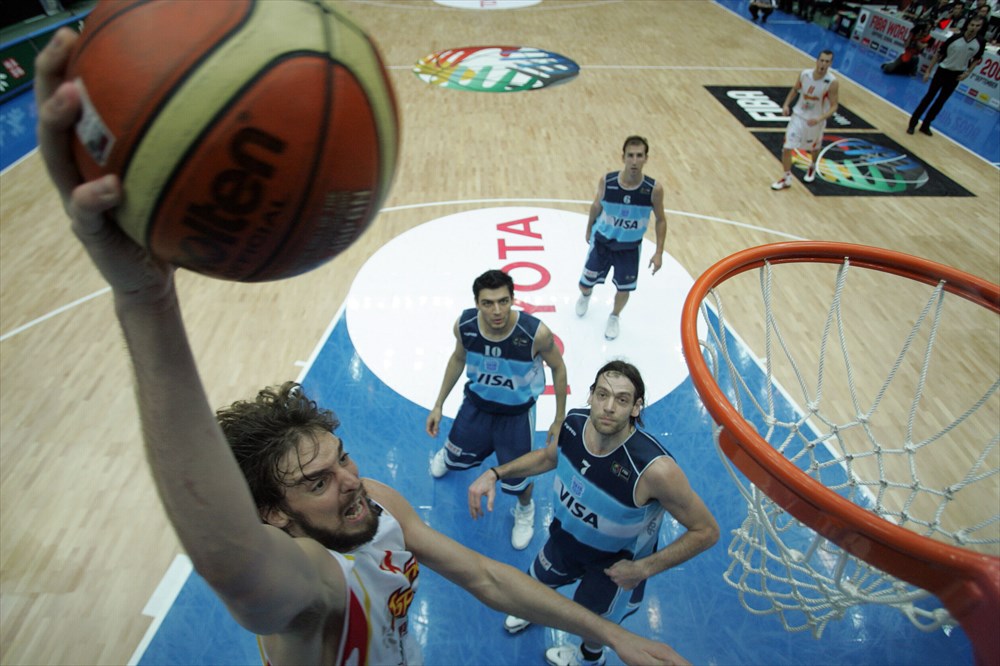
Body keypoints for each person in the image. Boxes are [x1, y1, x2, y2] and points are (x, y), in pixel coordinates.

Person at [35, 28, 688, 666]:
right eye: (317, 482)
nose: (349, 481)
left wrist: (615, 636)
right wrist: (145, 301)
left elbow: (486, 578)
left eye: (340, 458)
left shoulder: (376, 508)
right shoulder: (302, 591)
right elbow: (229, 560)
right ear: (273, 515)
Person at [468, 361, 720, 666]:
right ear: (591, 396)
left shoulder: (655, 470)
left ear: (637, 407)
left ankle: (589, 658)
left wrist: (643, 570)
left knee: (594, 624)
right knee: (535, 582)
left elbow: (706, 531)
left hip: (613, 568)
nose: (609, 407)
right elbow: (547, 459)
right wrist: (496, 473)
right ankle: (530, 610)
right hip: (564, 542)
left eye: (622, 399)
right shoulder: (573, 423)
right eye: (602, 395)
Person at [425, 269, 568, 550]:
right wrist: (438, 404)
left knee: (518, 478)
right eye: (488, 303)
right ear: (477, 303)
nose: (497, 310)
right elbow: (457, 358)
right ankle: (451, 450)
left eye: (503, 301)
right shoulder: (464, 326)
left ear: (513, 299)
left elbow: (558, 367)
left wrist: (559, 418)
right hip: (476, 406)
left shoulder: (534, 333)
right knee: (453, 458)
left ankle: (524, 510)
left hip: (516, 415)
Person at [575, 136, 667, 341]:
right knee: (584, 283)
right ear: (623, 157)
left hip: (629, 248)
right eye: (630, 156)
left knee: (624, 289)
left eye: (639, 156)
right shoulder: (607, 181)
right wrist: (589, 228)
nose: (634, 161)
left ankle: (614, 316)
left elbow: (661, 219)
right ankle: (586, 295)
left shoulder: (654, 190)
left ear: (646, 158)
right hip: (602, 242)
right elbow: (596, 205)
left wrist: (659, 252)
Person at [771, 50, 839, 190]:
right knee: (787, 147)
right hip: (798, 116)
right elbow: (795, 90)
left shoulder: (832, 82)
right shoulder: (805, 74)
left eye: (827, 61)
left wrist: (819, 118)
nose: (823, 64)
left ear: (830, 63)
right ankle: (786, 177)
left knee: (813, 148)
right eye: (822, 60)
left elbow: (834, 106)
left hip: (815, 121)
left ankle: (813, 165)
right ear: (817, 60)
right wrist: (786, 104)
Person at [907, 16, 986, 135]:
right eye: (972, 25)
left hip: (956, 75)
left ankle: (926, 125)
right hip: (943, 71)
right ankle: (912, 123)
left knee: (941, 101)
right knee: (929, 98)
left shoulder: (980, 42)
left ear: (981, 27)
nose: (974, 28)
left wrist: (967, 72)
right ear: (968, 25)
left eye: (977, 26)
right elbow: (938, 54)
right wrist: (928, 71)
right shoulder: (955, 38)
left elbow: (977, 59)